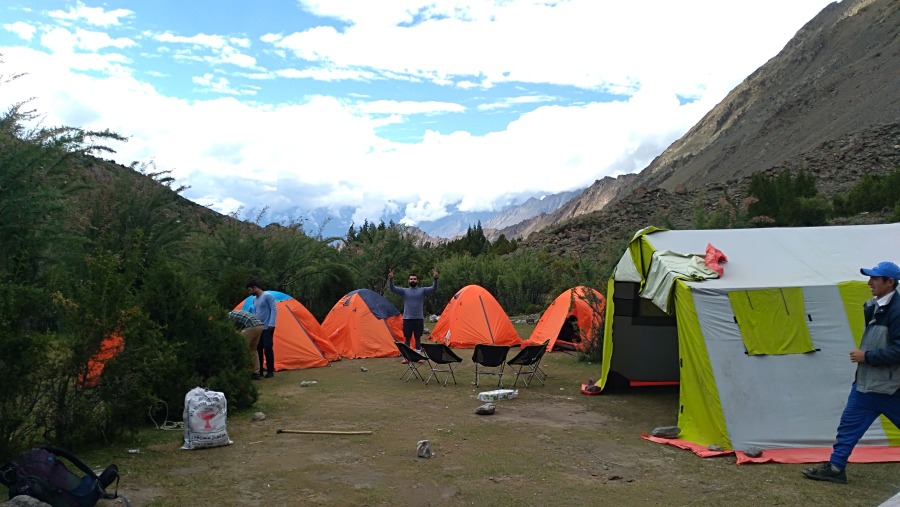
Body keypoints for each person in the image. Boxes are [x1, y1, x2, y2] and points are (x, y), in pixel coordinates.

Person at [802, 261, 900, 484]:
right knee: (848, 426)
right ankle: (836, 468)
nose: (869, 283)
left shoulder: (897, 311)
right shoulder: (874, 306)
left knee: (848, 426)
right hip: (867, 384)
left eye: (875, 279)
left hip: (890, 387)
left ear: (890, 282)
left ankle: (836, 467)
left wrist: (867, 357)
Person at [388, 268, 438, 363]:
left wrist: (435, 279)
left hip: (419, 319)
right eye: (411, 279)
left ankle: (418, 356)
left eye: (414, 279)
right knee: (407, 338)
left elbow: (433, 288)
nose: (413, 280)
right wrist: (390, 279)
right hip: (407, 319)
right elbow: (392, 288)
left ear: (417, 281)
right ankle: (407, 357)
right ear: (408, 281)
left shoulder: (422, 291)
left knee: (418, 338)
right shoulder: (404, 291)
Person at [247, 280, 278, 378]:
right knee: (258, 348)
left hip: (268, 326)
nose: (249, 292)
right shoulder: (255, 300)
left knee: (268, 347)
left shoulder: (267, 296)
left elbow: (274, 309)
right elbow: (256, 313)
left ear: (255, 287)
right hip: (259, 327)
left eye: (250, 290)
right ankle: (259, 370)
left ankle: (270, 371)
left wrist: (271, 323)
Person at [227, 310, 264, 380]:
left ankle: (242, 371)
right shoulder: (233, 313)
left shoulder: (227, 317)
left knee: (241, 348)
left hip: (251, 326)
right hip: (260, 326)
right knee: (253, 350)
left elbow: (230, 330)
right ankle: (255, 372)